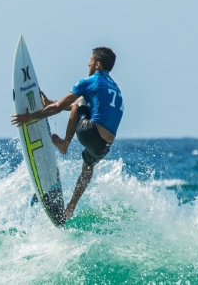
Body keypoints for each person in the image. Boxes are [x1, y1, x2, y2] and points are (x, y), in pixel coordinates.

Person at [11, 47, 123, 220]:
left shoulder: (91, 82)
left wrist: (30, 117)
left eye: (91, 60)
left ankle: (64, 145)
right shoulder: (114, 88)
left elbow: (62, 108)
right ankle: (71, 207)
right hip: (104, 147)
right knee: (87, 167)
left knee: (79, 101)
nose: (88, 63)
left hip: (89, 133)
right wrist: (51, 103)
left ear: (98, 64)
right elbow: (80, 109)